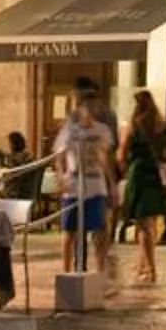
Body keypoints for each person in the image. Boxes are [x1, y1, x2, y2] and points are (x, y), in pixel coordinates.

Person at [52, 89, 118, 278]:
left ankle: (100, 273)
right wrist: (60, 178)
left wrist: (111, 183)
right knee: (69, 230)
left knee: (99, 230)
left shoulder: (102, 130)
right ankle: (66, 273)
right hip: (73, 183)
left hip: (95, 183)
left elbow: (105, 158)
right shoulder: (69, 131)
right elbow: (59, 156)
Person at [120, 90, 166, 283]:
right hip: (157, 176)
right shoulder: (164, 126)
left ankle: (151, 269)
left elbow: (122, 155)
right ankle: (143, 266)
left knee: (142, 226)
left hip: (139, 175)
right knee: (150, 224)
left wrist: (123, 168)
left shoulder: (133, 127)